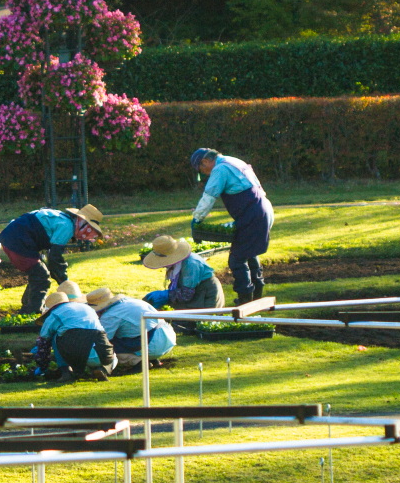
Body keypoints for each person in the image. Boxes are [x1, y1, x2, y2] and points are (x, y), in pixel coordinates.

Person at [189, 147, 275, 303]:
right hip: (262, 208)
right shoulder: (235, 161)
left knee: (236, 259)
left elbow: (210, 195)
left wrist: (197, 219)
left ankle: (245, 298)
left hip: (252, 213)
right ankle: (257, 292)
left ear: (205, 161)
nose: (203, 172)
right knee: (249, 252)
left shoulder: (220, 169)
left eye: (201, 168)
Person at [0, 204, 105, 314]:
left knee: (38, 273)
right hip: (17, 242)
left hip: (14, 239)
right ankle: (32, 312)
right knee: (41, 275)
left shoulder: (63, 220)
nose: (90, 236)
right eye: (91, 230)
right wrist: (64, 281)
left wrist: (60, 277)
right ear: (83, 223)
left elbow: (53, 259)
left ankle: (28, 308)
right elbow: (54, 257)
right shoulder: (67, 226)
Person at [34, 289, 115, 384]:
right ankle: (102, 369)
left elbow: (43, 340)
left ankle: (66, 372)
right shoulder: (87, 308)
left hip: (76, 354)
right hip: (103, 354)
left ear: (51, 308)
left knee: (55, 336)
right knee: (111, 351)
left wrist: (42, 365)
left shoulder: (55, 313)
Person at [87, 287, 176, 370]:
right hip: (168, 338)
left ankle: (137, 362)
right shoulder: (130, 301)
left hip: (153, 344)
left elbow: (102, 340)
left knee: (106, 346)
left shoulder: (110, 315)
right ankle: (153, 359)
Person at [141, 235, 224, 310]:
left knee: (202, 322)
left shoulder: (191, 264)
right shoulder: (176, 264)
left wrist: (167, 295)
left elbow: (186, 294)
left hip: (205, 294)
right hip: (193, 292)